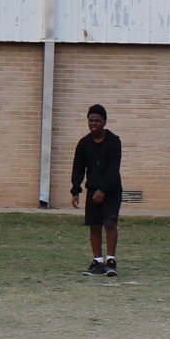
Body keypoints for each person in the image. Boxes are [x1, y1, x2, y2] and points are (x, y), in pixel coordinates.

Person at [71, 104, 123, 276]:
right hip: (93, 190)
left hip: (112, 190)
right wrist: (75, 190)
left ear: (104, 122)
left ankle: (110, 261)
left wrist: (103, 190)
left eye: (97, 121)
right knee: (94, 225)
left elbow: (113, 169)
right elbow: (78, 168)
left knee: (109, 222)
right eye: (91, 121)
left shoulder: (114, 141)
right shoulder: (84, 143)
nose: (94, 124)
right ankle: (97, 262)